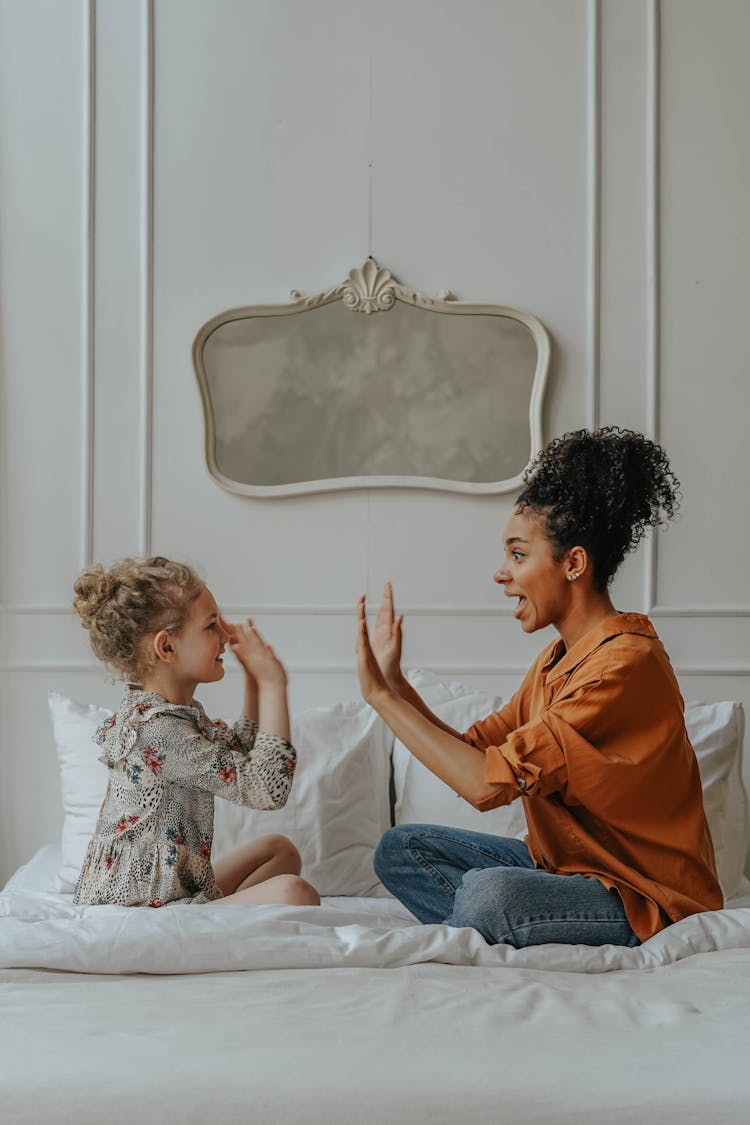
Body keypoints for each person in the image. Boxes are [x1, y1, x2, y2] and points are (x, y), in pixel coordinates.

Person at [356, 426, 722, 948]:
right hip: (567, 869)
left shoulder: (625, 664)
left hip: (644, 897)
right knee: (400, 849)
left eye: (518, 555)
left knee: (490, 895)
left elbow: (486, 786)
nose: (500, 575)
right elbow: (476, 754)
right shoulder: (554, 662)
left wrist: (382, 701)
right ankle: (510, 926)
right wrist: (395, 685)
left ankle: (494, 923)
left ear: (573, 563)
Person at [72, 555, 319, 909]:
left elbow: (238, 753)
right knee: (296, 893)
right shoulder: (156, 731)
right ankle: (206, 919)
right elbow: (265, 789)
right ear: (167, 647)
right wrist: (274, 685)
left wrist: (252, 681)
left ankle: (213, 914)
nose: (224, 637)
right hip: (135, 907)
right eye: (211, 626)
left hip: (167, 883)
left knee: (280, 851)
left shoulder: (170, 713)